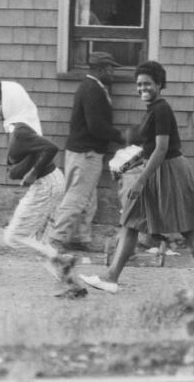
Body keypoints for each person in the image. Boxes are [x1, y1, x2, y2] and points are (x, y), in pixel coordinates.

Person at [80, 61, 194, 293]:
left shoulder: (161, 109)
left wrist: (139, 180)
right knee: (131, 222)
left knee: (189, 228)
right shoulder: (152, 110)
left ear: (159, 84)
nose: (142, 89)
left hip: (171, 171)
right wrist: (127, 165)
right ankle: (110, 278)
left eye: (147, 84)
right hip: (154, 170)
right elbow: (148, 149)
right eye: (139, 85)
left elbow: (161, 148)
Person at [0, 81, 77, 284]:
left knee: (13, 237)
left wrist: (32, 172)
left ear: (9, 103)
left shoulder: (21, 131)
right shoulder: (18, 128)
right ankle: (71, 286)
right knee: (39, 243)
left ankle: (62, 259)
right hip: (51, 182)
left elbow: (51, 148)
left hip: (46, 184)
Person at [47, 51, 125, 252]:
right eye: (109, 69)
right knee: (78, 196)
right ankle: (57, 238)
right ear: (99, 69)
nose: (112, 73)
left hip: (84, 151)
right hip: (86, 152)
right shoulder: (92, 90)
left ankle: (79, 237)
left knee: (87, 197)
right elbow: (96, 126)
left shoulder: (92, 87)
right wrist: (122, 137)